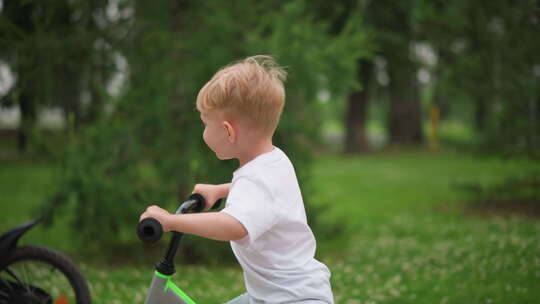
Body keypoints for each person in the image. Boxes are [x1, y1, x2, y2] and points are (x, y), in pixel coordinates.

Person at [139, 55, 334, 304]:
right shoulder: (274, 160)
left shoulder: (256, 179)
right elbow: (266, 196)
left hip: (291, 300)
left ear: (228, 131)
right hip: (281, 294)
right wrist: (220, 190)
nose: (204, 133)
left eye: (206, 124)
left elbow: (233, 225)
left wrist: (171, 221)